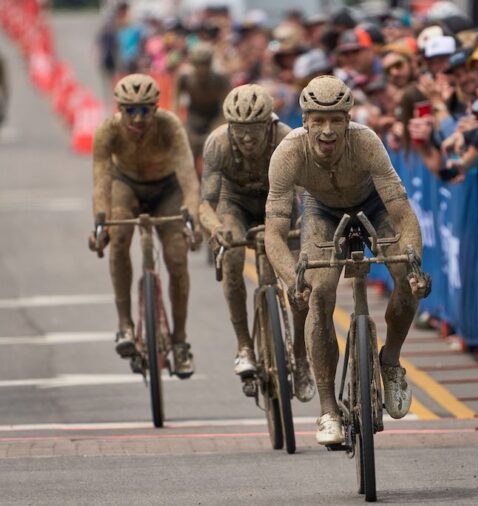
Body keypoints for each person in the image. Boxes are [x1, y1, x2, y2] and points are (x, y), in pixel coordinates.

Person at [264, 76, 430, 445]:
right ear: (304, 121)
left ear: (347, 120)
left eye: (336, 120)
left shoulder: (366, 141)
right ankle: (328, 410)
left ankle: (391, 361)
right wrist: (294, 280)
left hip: (373, 206)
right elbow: (273, 233)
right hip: (322, 211)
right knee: (319, 295)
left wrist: (414, 262)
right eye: (318, 121)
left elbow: (403, 214)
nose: (327, 131)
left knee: (406, 277)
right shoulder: (288, 153)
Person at [198, 84, 315, 400]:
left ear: (269, 124)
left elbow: (308, 188)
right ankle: (244, 345)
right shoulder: (217, 144)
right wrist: (215, 229)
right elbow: (205, 203)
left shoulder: (287, 138)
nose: (247, 139)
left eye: (254, 131)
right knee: (232, 256)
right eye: (240, 131)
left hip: (277, 203)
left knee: (298, 279)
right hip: (234, 203)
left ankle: (301, 357)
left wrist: (306, 221)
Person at [89, 74, 201, 378]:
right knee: (120, 235)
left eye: (145, 110)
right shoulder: (107, 132)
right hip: (126, 184)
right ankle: (124, 324)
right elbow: (101, 182)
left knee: (177, 258)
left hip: (167, 187)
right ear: (119, 109)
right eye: (129, 111)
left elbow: (189, 179)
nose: (137, 119)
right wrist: (101, 223)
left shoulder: (170, 126)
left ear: (155, 108)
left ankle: (179, 342)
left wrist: (192, 215)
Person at [173, 42, 230, 174]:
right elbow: (175, 99)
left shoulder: (221, 77)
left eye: (205, 64)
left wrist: (219, 125)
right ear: (193, 64)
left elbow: (226, 103)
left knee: (215, 147)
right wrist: (177, 120)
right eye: (198, 64)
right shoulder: (184, 76)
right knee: (188, 146)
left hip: (214, 114)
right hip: (194, 115)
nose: (202, 69)